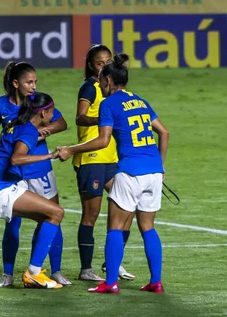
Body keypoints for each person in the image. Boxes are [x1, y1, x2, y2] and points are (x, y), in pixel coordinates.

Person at [57, 54, 169, 294]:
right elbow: (164, 132)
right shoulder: (141, 101)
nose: (99, 85)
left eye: (100, 81)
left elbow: (102, 140)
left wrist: (70, 149)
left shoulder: (109, 104)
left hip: (129, 172)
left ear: (109, 80)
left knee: (115, 228)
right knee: (148, 228)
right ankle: (156, 282)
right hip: (153, 173)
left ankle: (110, 283)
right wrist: (161, 166)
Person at [0, 62, 70, 287]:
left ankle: (55, 270)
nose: (33, 87)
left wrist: (43, 132)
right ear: (15, 83)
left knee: (52, 217)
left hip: (40, 171)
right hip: (16, 173)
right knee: (13, 223)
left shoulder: (39, 103)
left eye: (35, 82)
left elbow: (61, 122)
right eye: (29, 82)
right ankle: (8, 273)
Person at [73, 45, 135, 282]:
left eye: (107, 61)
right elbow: (80, 117)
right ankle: (86, 269)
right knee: (92, 214)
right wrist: (106, 119)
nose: (104, 66)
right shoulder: (90, 86)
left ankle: (113, 262)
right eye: (100, 63)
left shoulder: (113, 88)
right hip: (92, 158)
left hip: (112, 158)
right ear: (90, 65)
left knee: (129, 207)